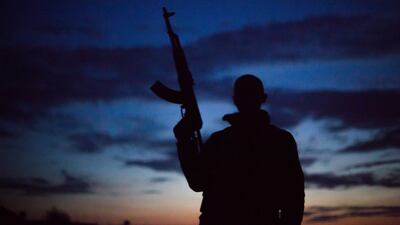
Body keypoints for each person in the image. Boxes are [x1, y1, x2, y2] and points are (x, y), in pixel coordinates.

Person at [174, 74, 304, 225]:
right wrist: (184, 141)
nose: (247, 99)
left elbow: (294, 196)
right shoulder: (280, 140)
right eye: (244, 94)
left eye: (250, 94)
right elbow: (198, 181)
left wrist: (184, 142)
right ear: (263, 98)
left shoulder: (221, 141)